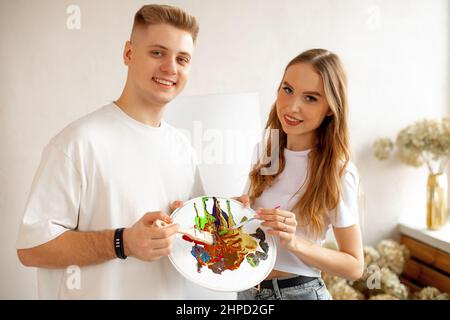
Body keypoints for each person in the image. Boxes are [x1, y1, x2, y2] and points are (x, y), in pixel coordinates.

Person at [16, 4, 204, 299]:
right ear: (129, 54)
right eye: (157, 52)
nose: (171, 67)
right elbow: (32, 249)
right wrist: (123, 242)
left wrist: (231, 217)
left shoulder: (183, 149)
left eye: (182, 59)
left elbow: (193, 240)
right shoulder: (78, 142)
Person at [237, 49, 364, 300]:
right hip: (247, 289)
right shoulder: (265, 151)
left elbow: (355, 266)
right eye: (288, 90)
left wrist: (295, 242)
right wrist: (236, 213)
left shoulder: (337, 171)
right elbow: (255, 229)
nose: (292, 107)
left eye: (311, 98)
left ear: (330, 108)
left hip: (299, 293)